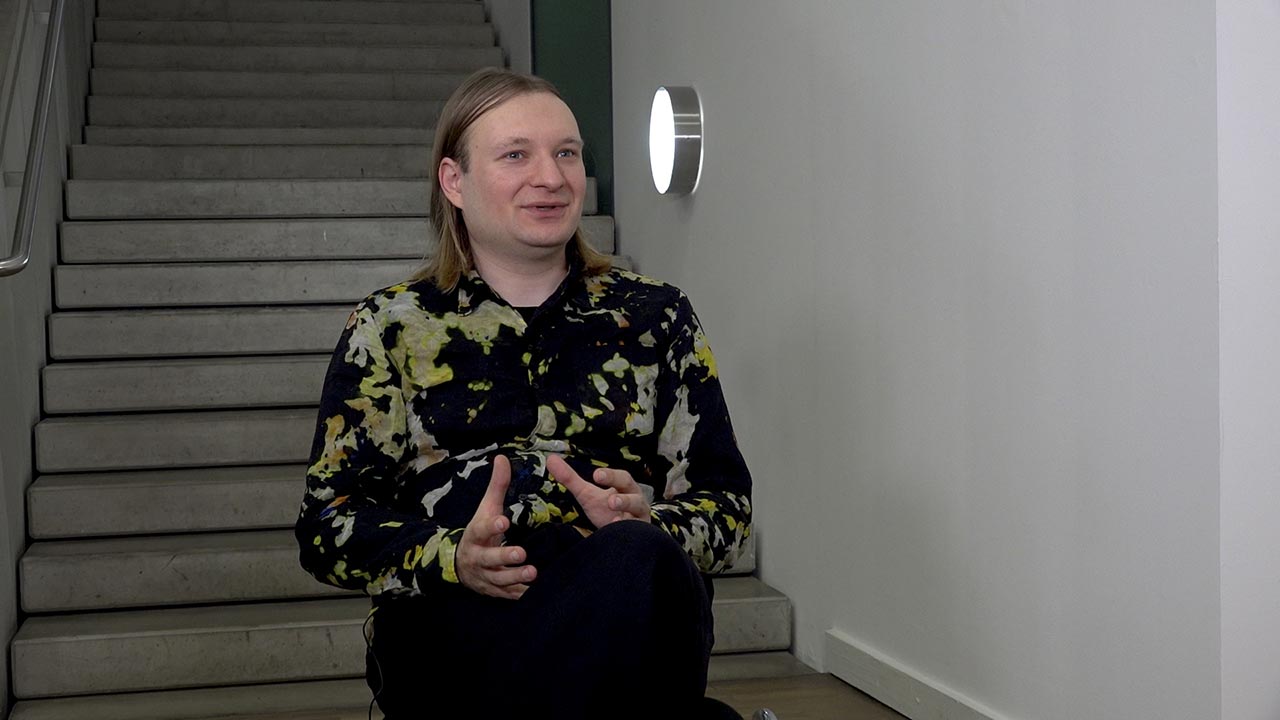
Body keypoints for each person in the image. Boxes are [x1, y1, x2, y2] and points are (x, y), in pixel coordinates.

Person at [295, 67, 753, 719]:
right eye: (517, 154)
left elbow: (728, 507)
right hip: (461, 630)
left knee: (636, 558)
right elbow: (325, 526)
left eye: (567, 152)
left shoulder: (658, 317)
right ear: (455, 180)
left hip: (629, 610)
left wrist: (654, 523)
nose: (551, 176)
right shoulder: (389, 329)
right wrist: (452, 555)